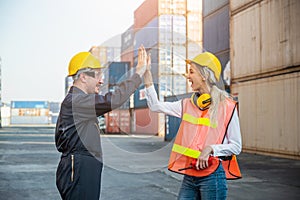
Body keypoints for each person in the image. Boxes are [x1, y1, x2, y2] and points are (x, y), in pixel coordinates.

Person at [143, 51, 242, 200]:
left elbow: (236, 146)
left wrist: (211, 149)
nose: (187, 76)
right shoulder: (187, 104)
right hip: (190, 176)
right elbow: (155, 106)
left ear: (204, 75)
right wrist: (146, 74)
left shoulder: (227, 106)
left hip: (212, 177)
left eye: (191, 72)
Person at [55, 45, 147, 200]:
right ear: (83, 76)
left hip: (81, 166)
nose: (101, 80)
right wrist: (138, 74)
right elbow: (114, 99)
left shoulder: (76, 101)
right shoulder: (77, 101)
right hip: (79, 168)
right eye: (97, 75)